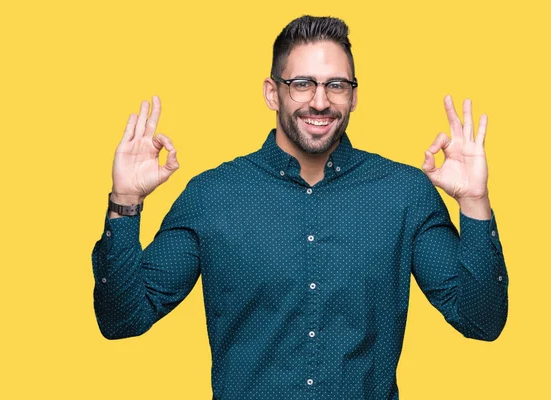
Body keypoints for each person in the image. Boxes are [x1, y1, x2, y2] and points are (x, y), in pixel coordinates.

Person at [92, 15, 508, 400]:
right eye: (303, 83)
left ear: (354, 95)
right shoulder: (211, 196)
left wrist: (474, 202)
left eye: (336, 85)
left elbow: (480, 321)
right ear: (273, 93)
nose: (321, 102)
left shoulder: (403, 193)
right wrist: (125, 203)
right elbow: (123, 320)